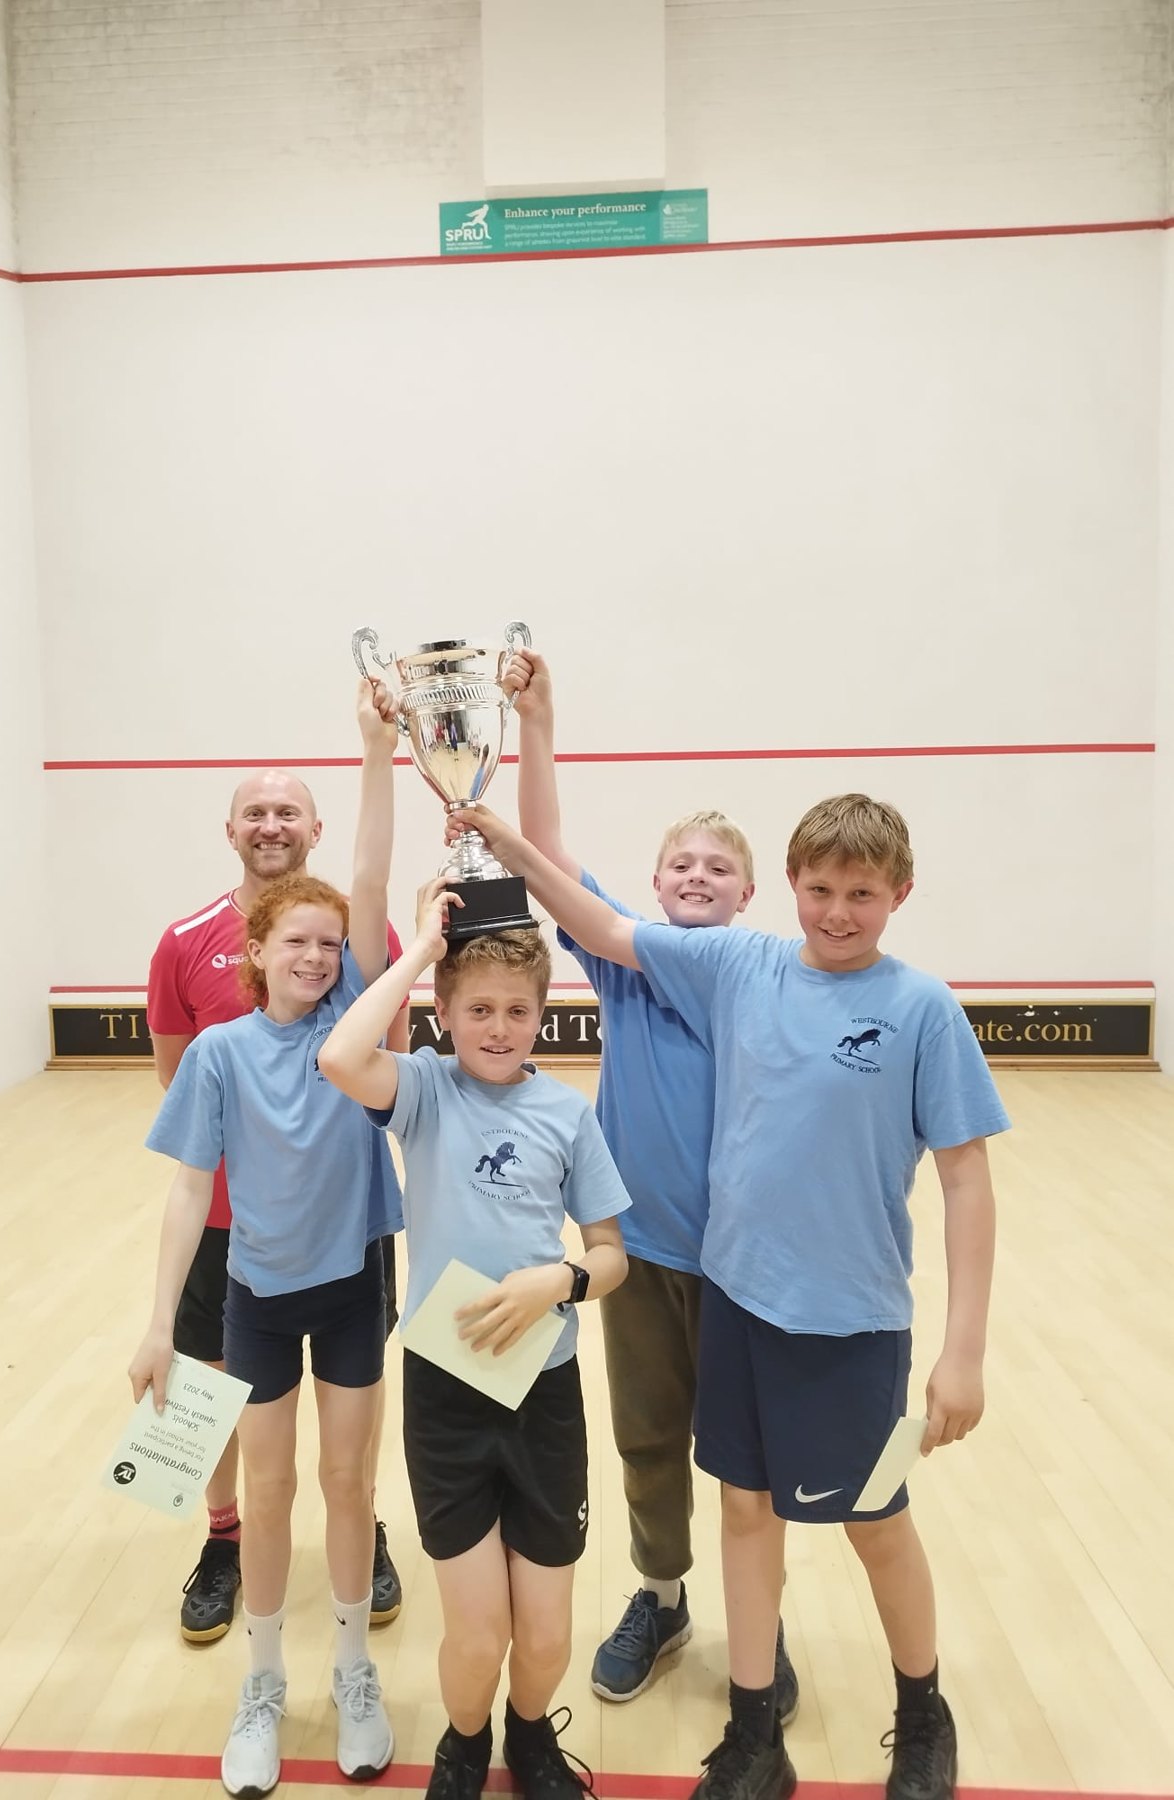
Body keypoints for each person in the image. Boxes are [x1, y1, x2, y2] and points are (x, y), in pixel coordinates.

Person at [451, 794, 1008, 1800]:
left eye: (862, 894)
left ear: (899, 894)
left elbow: (967, 1179)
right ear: (790, 886)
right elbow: (600, 923)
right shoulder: (740, 966)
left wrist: (962, 1353)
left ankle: (924, 1715)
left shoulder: (922, 1007)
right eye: (821, 889)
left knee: (877, 1520)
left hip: (857, 1327)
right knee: (746, 1515)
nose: (837, 912)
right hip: (741, 1307)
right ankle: (755, 1737)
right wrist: (505, 843)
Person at [129, 682, 405, 1798]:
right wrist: (156, 1321)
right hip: (248, 1273)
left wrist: (378, 749)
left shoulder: (352, 1012)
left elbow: (373, 881)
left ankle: (352, 1669)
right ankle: (254, 1653)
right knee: (255, 1468)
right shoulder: (209, 1019)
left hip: (348, 1277)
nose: (319, 955)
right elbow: (185, 1168)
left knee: (345, 1476)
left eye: (333, 944)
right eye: (299, 940)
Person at [510, 651, 797, 1716]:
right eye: (681, 864)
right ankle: (664, 1599)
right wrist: (539, 721)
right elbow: (545, 857)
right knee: (646, 1438)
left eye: (718, 868)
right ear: (657, 882)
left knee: (748, 1460)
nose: (696, 877)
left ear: (748, 894)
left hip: (744, 1267)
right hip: (636, 1260)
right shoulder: (624, 965)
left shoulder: (765, 976)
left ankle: (757, 1624)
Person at [318, 880, 632, 1800]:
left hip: (545, 1394)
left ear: (543, 1016)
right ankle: (464, 1745)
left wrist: (560, 1280)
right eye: (479, 1009)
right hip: (446, 1395)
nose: (499, 1028)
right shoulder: (422, 1091)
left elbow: (611, 1255)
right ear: (445, 1015)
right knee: (479, 1632)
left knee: (545, 1633)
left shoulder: (568, 1115)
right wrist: (422, 950)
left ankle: (528, 1737)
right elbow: (341, 1054)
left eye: (518, 1011)